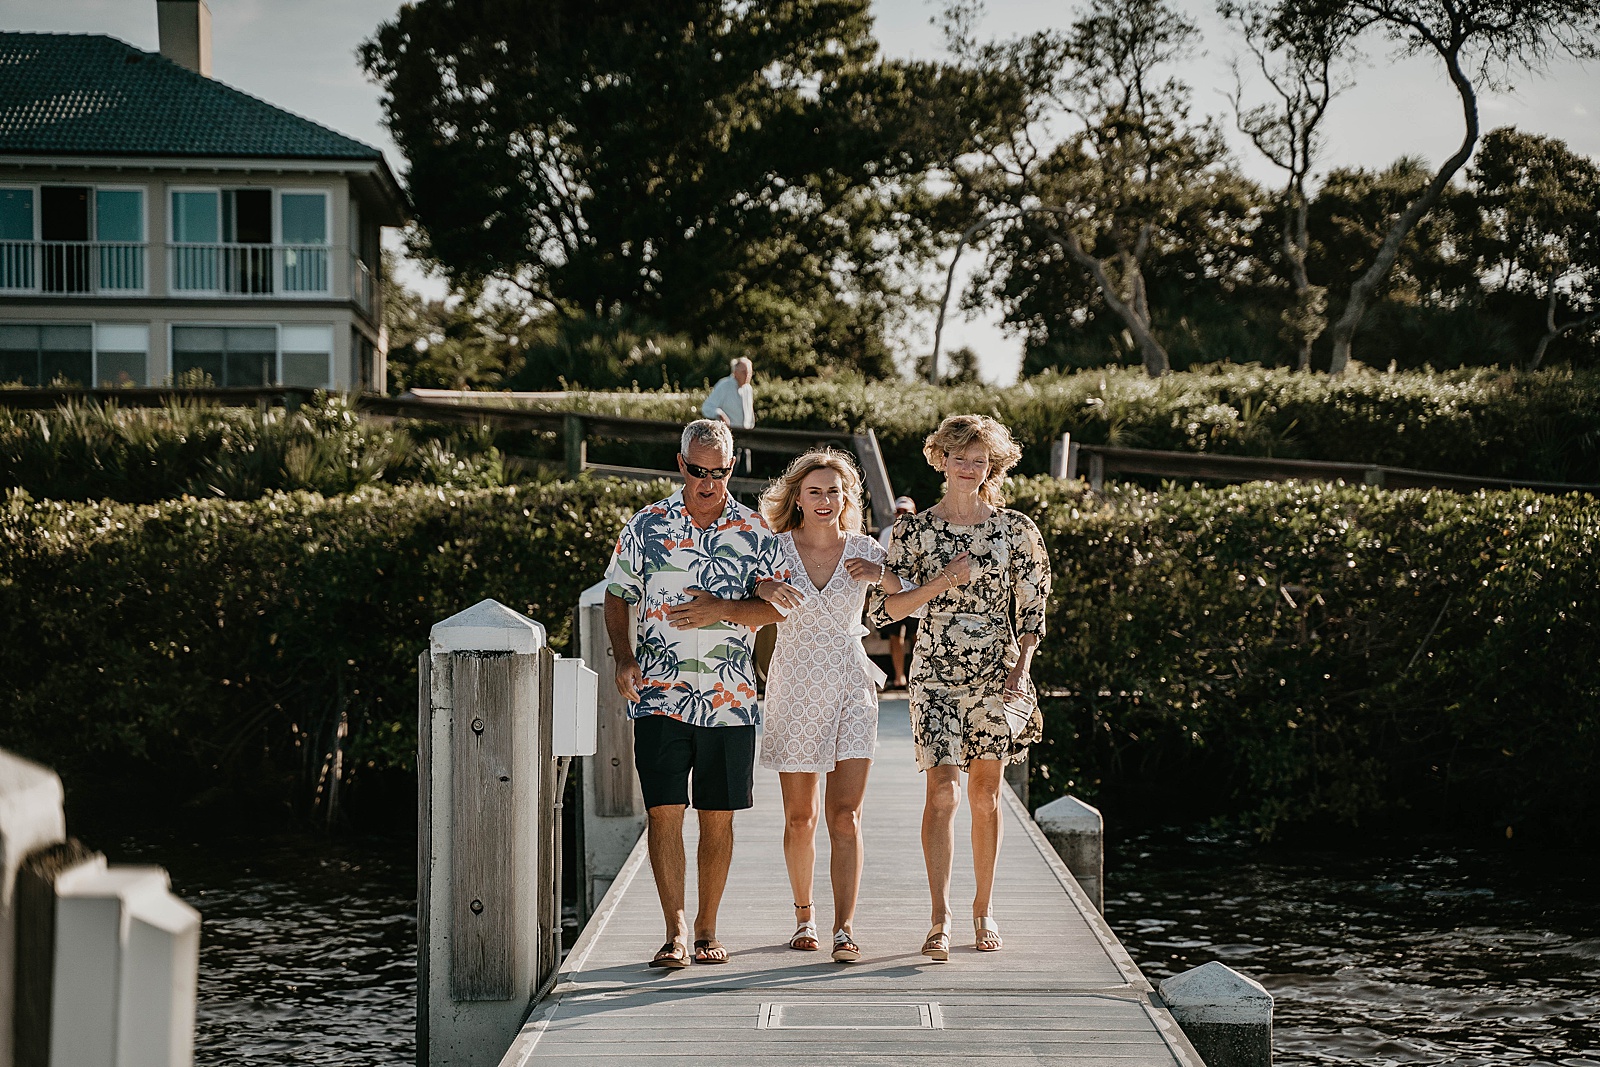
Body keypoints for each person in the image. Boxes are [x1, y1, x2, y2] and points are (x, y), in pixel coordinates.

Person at [603, 418, 788, 968]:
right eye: (699, 470)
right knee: (664, 812)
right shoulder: (646, 526)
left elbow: (779, 606)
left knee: (717, 816)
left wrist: (723, 609)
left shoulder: (755, 531)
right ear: (681, 464)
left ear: (733, 466)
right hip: (660, 693)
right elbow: (617, 594)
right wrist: (623, 656)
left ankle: (708, 928)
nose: (709, 481)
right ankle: (675, 931)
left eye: (721, 471)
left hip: (730, 699)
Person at [871, 414, 1051, 961]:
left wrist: (1021, 672)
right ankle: (940, 915)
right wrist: (946, 578)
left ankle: (983, 908)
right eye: (960, 456)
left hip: (998, 674)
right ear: (941, 459)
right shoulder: (914, 531)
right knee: (942, 792)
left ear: (991, 465)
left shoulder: (1018, 530)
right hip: (935, 674)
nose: (969, 467)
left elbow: (1034, 610)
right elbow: (888, 609)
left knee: (985, 795)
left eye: (980, 459)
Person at [752, 449, 907, 963]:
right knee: (801, 818)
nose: (824, 500)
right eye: (814, 491)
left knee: (845, 816)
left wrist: (880, 573)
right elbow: (742, 594)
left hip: (850, 685)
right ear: (797, 496)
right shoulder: (772, 550)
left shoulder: (864, 547)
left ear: (847, 498)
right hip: (794, 684)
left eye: (834, 492)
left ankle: (844, 928)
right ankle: (804, 918)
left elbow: (906, 597)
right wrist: (763, 585)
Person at [877, 495, 918, 688]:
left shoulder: (922, 531)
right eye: (900, 512)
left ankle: (917, 675)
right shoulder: (887, 533)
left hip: (916, 589)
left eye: (906, 512)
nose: (902, 516)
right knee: (896, 635)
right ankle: (900, 676)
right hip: (892, 591)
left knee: (918, 634)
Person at [701, 357, 755, 472]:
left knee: (745, 471)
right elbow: (707, 407)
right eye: (744, 372)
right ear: (735, 372)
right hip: (729, 438)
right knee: (730, 472)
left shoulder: (748, 389)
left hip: (746, 438)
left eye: (750, 372)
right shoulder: (724, 385)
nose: (748, 375)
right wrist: (719, 414)